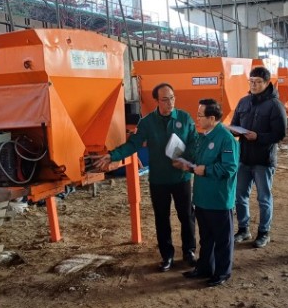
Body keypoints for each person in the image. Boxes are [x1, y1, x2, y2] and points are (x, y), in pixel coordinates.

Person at [95, 83, 198, 272]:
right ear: (157, 101)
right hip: (159, 180)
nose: (170, 103)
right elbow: (133, 144)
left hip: (181, 178)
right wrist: (112, 155)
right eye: (165, 99)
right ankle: (167, 255)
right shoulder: (147, 122)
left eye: (172, 97)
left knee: (187, 215)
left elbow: (194, 142)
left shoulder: (184, 118)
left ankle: (189, 251)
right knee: (162, 218)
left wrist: (186, 159)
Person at [178, 99, 239, 287]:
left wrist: (207, 170)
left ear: (212, 118)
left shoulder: (225, 138)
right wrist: (186, 166)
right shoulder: (204, 136)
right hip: (203, 197)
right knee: (206, 237)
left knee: (222, 239)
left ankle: (222, 272)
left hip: (218, 199)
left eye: (200, 115)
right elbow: (198, 162)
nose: (197, 118)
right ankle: (205, 267)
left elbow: (229, 168)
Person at [230, 66, 287, 248]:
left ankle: (264, 232)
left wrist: (258, 137)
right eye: (251, 81)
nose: (254, 85)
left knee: (264, 197)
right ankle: (243, 229)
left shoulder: (275, 105)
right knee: (240, 196)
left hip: (263, 159)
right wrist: (234, 131)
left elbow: (279, 134)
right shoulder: (244, 102)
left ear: (267, 83)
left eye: (258, 82)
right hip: (244, 158)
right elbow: (234, 124)